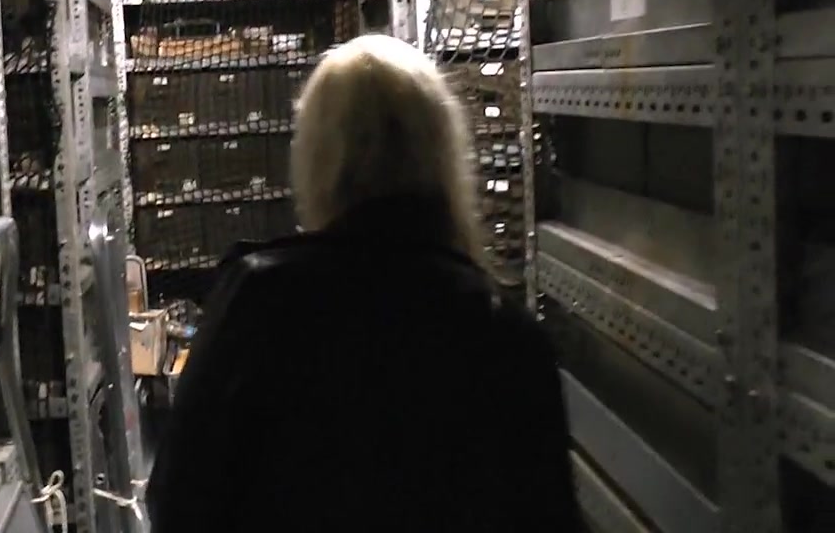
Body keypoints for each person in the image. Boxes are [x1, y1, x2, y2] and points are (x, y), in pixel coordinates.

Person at [144, 35, 583, 532]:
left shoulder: (257, 305)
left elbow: (177, 503)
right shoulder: (507, 337)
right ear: (443, 156)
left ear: (319, 157)